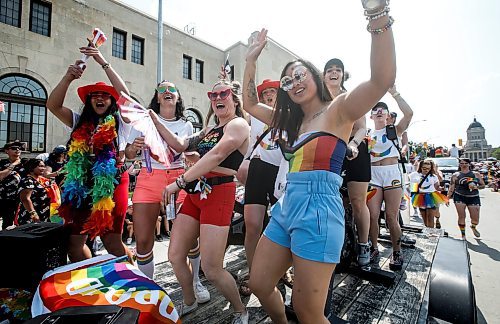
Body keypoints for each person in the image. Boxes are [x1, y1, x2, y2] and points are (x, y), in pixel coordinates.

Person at [242, 5, 395, 322]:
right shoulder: (291, 122)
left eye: (299, 75)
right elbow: (248, 104)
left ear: (313, 74)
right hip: (287, 206)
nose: (294, 82)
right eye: (287, 81)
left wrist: (377, 14)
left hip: (320, 210)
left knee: (309, 311)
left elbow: (381, 80)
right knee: (259, 283)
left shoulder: (339, 109)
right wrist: (250, 61)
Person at [157, 77, 250, 322]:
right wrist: (154, 119)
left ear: (234, 98)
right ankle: (189, 300)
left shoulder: (239, 124)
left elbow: (219, 154)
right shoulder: (209, 129)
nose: (218, 98)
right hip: (197, 192)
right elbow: (179, 144)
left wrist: (179, 182)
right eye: (213, 95)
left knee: (212, 269)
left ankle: (240, 309)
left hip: (219, 194)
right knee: (175, 256)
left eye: (223, 94)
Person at [125, 81, 210, 304]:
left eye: (171, 90)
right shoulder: (144, 120)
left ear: (178, 97)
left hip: (178, 179)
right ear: (157, 97)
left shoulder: (186, 125)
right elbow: (128, 154)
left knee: (189, 238)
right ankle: (148, 292)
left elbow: (188, 153)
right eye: (162, 90)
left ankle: (195, 282)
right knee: (143, 241)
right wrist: (134, 147)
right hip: (148, 178)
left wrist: (191, 156)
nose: (167, 93)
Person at [46, 46, 132, 262]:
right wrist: (68, 77)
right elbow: (53, 105)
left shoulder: (121, 123)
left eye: (105, 96)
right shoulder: (78, 121)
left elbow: (126, 98)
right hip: (81, 183)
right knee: (74, 245)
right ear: (89, 101)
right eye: (96, 96)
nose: (100, 98)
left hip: (111, 183)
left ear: (111, 102)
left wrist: (102, 61)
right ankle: (89, 283)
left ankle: (134, 283)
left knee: (112, 243)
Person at [323, 58, 371, 266]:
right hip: (330, 152)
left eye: (338, 70)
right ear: (323, 75)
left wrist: (352, 144)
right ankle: (337, 246)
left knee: (358, 202)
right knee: (335, 203)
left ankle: (364, 245)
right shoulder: (320, 100)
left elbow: (362, 127)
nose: (333, 73)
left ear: (343, 74)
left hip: (354, 151)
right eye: (329, 70)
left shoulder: (351, 97)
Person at [239, 79, 280, 296]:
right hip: (256, 167)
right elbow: (240, 108)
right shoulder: (254, 113)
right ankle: (253, 271)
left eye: (273, 91)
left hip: (280, 171)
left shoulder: (289, 114)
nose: (269, 95)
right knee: (252, 224)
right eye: (266, 93)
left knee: (282, 224)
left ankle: (281, 269)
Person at [367, 86, 413, 271]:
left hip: (392, 174)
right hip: (373, 176)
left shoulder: (394, 130)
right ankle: (374, 248)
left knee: (391, 217)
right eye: (375, 110)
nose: (379, 111)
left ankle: (397, 251)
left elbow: (409, 114)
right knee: (372, 216)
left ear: (387, 115)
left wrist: (395, 93)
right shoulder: (367, 133)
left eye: (382, 109)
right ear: (371, 116)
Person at [447, 158, 485, 238]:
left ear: (469, 164)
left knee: (475, 219)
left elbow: (483, 185)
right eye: (461, 163)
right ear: (459, 165)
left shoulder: (475, 174)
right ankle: (463, 235)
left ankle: (473, 227)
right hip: (459, 196)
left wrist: (476, 187)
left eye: (465, 163)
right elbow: (451, 187)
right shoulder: (456, 175)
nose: (463, 165)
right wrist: (447, 198)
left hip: (473, 197)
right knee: (461, 216)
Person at [409, 159, 448, 228]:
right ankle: (427, 230)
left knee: (430, 217)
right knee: (424, 217)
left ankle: (431, 233)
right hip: (420, 197)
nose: (426, 170)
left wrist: (441, 189)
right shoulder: (414, 175)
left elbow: (436, 187)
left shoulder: (433, 176)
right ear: (420, 167)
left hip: (431, 196)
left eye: (428, 168)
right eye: (424, 168)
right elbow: (413, 187)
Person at [0, 141, 26, 230]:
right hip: (4, 197)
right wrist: (14, 164)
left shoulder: (26, 163)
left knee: (16, 223)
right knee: (6, 222)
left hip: (20, 198)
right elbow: (1, 176)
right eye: (14, 148)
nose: (17, 150)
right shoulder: (2, 163)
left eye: (19, 148)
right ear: (7, 151)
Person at [17, 159, 51, 225]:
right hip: (30, 216)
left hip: (43, 214)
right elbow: (25, 199)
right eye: (40, 166)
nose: (43, 168)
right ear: (32, 167)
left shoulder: (41, 180)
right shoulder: (28, 181)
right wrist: (33, 214)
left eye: (44, 166)